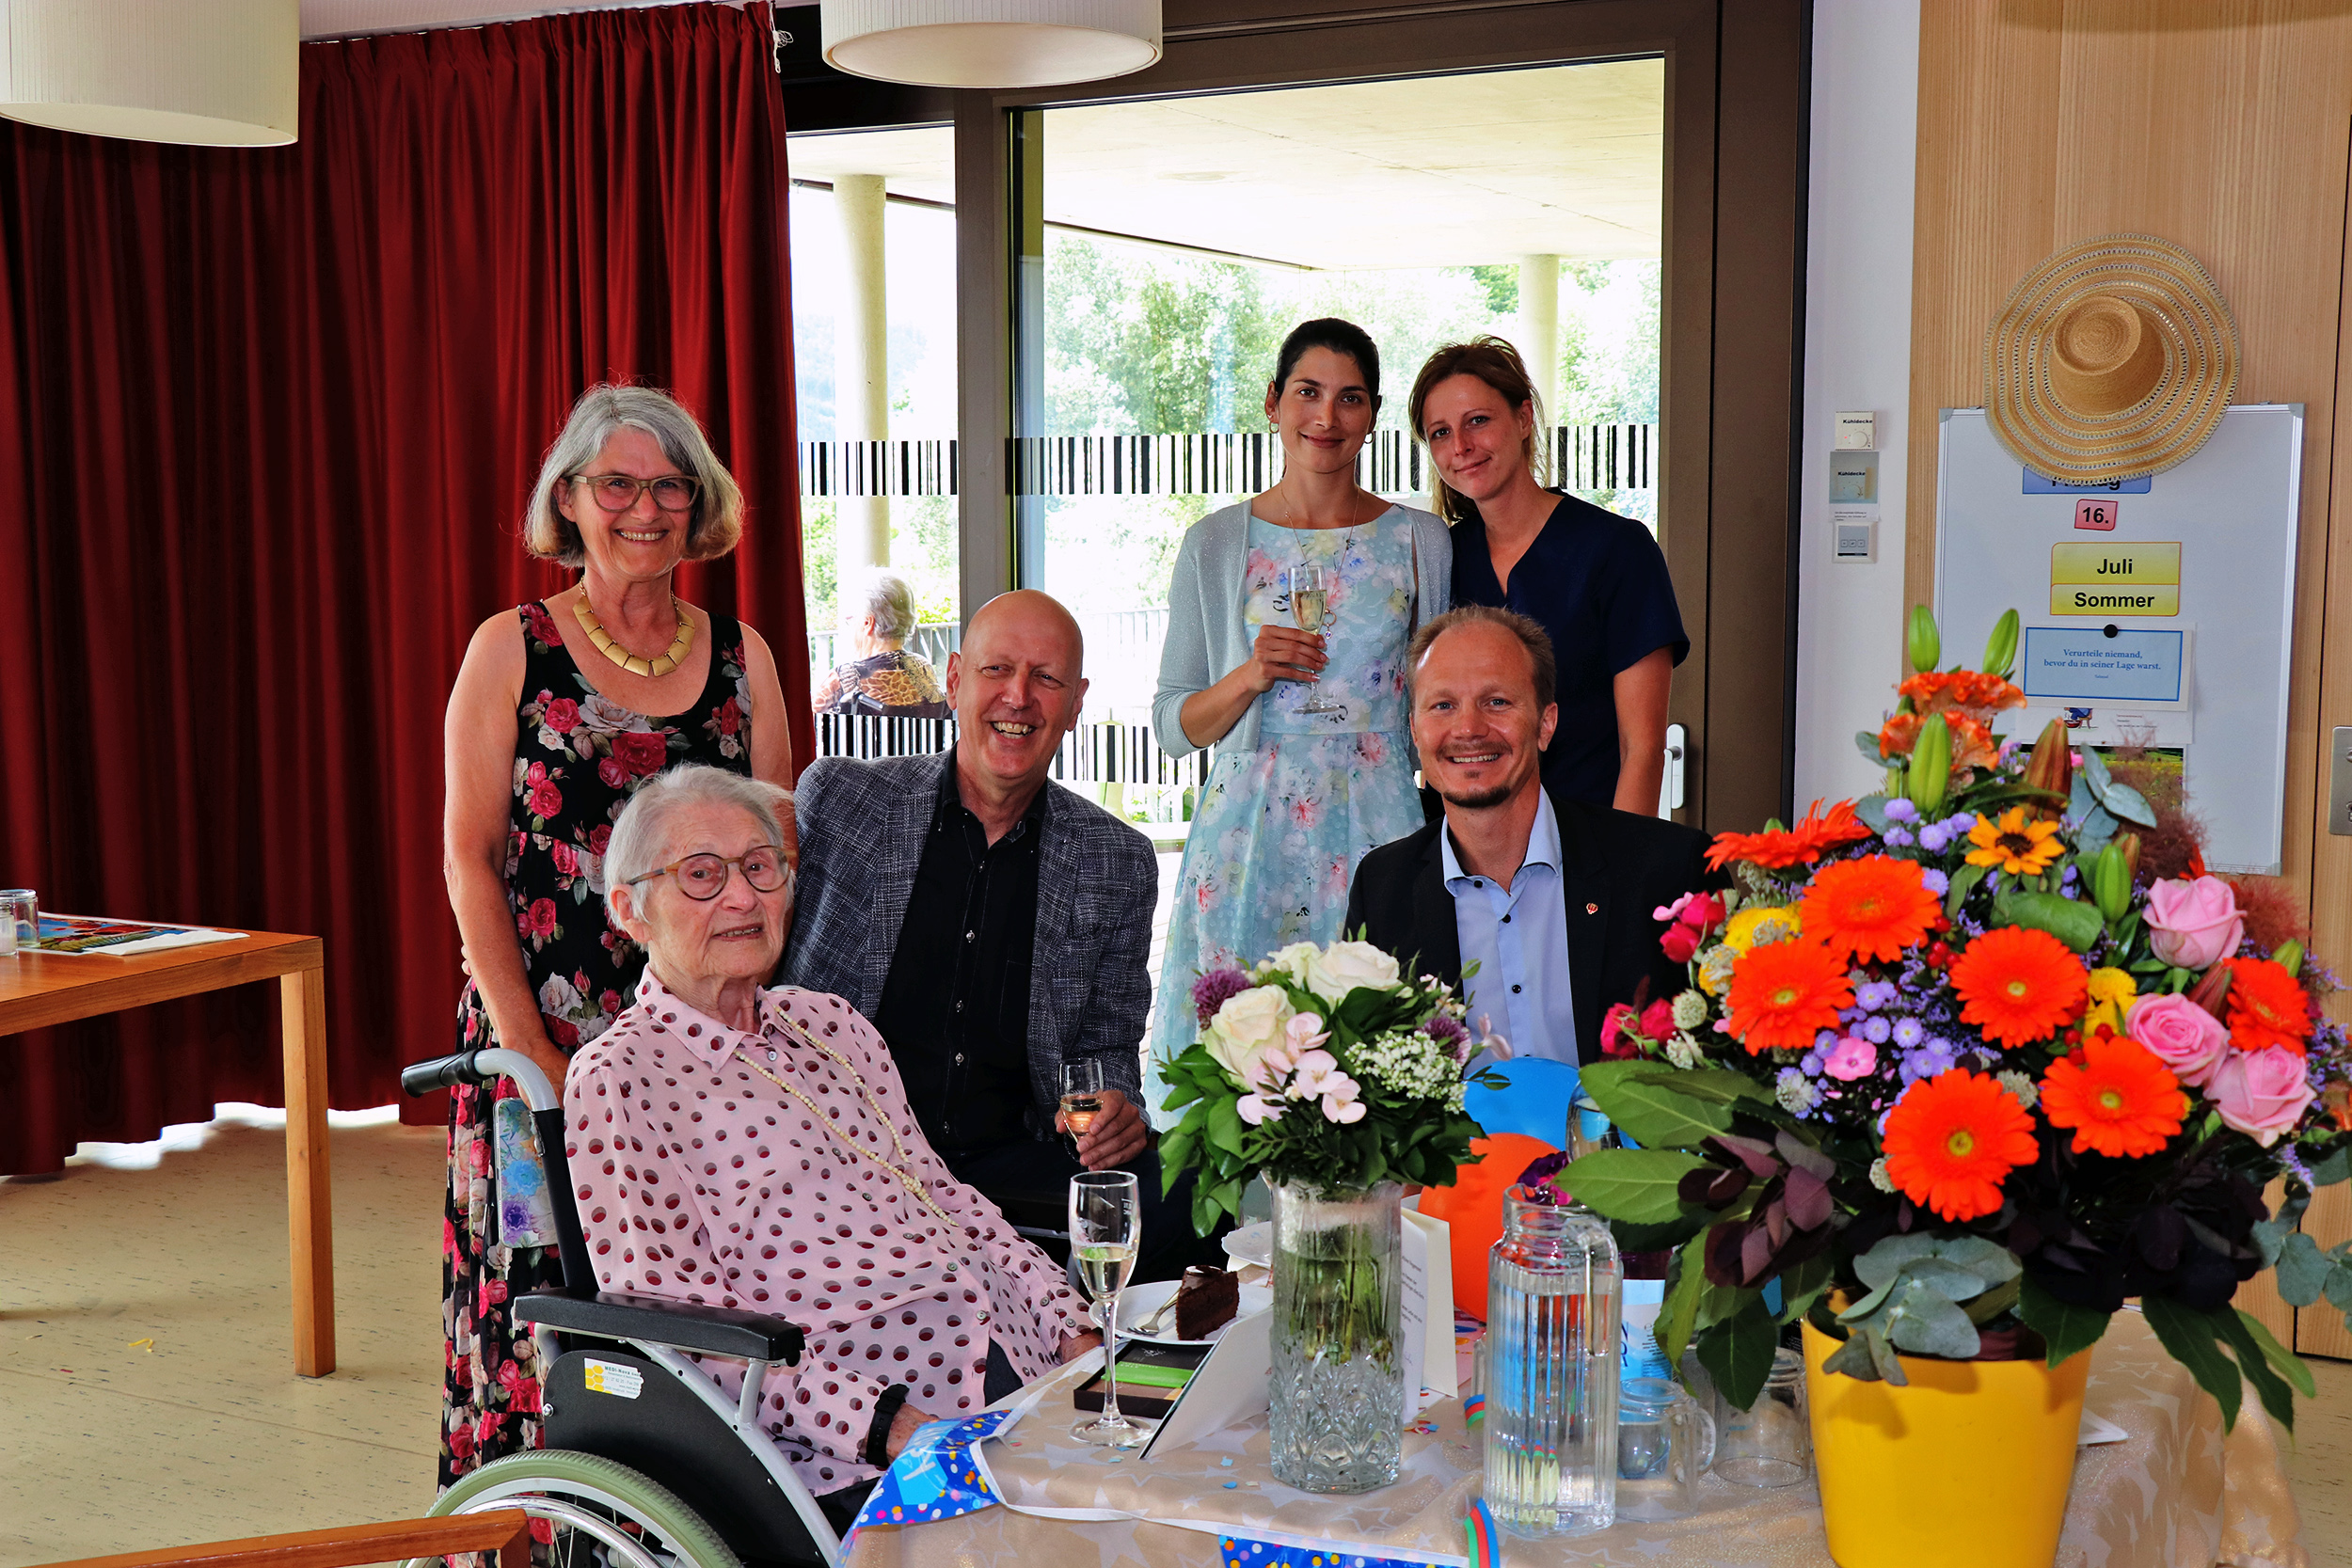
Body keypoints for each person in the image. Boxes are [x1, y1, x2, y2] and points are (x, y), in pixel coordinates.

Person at [574, 764, 1099, 1518]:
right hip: (855, 1441)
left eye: (760, 867)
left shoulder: (831, 1024)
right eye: (701, 874)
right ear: (630, 909)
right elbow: (683, 1329)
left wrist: (1067, 1318)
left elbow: (945, 1195)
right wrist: (881, 1424)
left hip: (1014, 1363)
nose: (743, 896)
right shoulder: (624, 1074)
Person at [439, 383, 792, 1485]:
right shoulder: (512, 647)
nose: (645, 506)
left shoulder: (746, 655)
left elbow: (777, 857)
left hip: (699, 1051)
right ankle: (528, 1532)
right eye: (618, 483)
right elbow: (468, 859)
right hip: (541, 1036)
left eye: (668, 483)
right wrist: (531, 1052)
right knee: (544, 1310)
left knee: (700, 1297)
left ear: (700, 502)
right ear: (571, 502)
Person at [786, 590, 1216, 1279]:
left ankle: (1109, 1377)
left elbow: (1105, 1044)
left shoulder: (1115, 858)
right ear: (955, 679)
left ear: (1075, 706)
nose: (1019, 697)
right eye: (997, 671)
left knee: (1192, 1193)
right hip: (844, 1154)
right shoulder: (841, 800)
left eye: (1046, 679)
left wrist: (1112, 1106)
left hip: (1009, 1161)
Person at [1145, 319, 1450, 1115]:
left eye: (1350, 399)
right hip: (1248, 833)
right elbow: (1173, 725)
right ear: (1274, 403)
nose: (1327, 416)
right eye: (1308, 393)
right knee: (1241, 1061)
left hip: (1382, 821)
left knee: (1378, 1054)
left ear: (1373, 416)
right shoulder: (1215, 543)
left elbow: (1442, 702)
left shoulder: (1421, 540)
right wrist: (1251, 673)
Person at [1343, 606, 1710, 1070]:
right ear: (1415, 730)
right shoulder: (1382, 889)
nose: (1469, 729)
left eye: (1497, 702)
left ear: (1545, 723)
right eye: (1443, 705)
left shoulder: (1668, 870)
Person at [1409, 337, 1687, 814]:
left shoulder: (1616, 549)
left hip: (1586, 845)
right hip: (1465, 852)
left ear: (1522, 418)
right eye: (1440, 432)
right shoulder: (1443, 557)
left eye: (1478, 421)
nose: (1461, 446)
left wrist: (1621, 873)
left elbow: (1641, 749)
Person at [814, 568, 948, 718]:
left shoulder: (842, 678)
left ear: (867, 623)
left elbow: (807, 728)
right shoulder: (923, 669)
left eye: (850, 620)